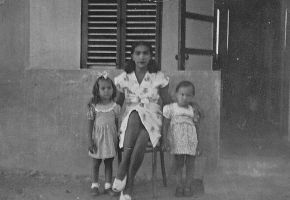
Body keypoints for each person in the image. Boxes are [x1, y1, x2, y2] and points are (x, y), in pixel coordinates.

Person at [112, 41, 171, 200]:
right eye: (137, 53)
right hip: (130, 122)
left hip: (153, 117)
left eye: (145, 53)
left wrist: (190, 106)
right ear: (132, 56)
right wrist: (100, 108)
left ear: (151, 56)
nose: (141, 56)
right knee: (136, 118)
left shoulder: (158, 77)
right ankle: (129, 183)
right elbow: (117, 103)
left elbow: (168, 103)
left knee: (137, 115)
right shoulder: (124, 78)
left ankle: (123, 169)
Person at [162, 80, 202, 197]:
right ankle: (179, 186)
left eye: (188, 95)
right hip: (177, 140)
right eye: (182, 94)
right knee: (178, 164)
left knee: (190, 164)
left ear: (192, 97)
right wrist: (165, 140)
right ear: (176, 94)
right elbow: (165, 125)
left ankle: (188, 186)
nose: (184, 98)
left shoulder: (193, 110)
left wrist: (199, 144)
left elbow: (197, 127)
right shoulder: (171, 108)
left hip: (191, 140)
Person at [87, 71, 121, 196]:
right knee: (96, 163)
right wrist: (90, 141)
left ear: (113, 89)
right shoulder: (93, 106)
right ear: (97, 90)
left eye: (109, 88)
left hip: (110, 139)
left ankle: (108, 186)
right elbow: (90, 125)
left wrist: (117, 138)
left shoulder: (115, 107)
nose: (106, 91)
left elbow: (117, 123)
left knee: (108, 163)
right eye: (103, 88)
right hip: (97, 139)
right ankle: (94, 185)